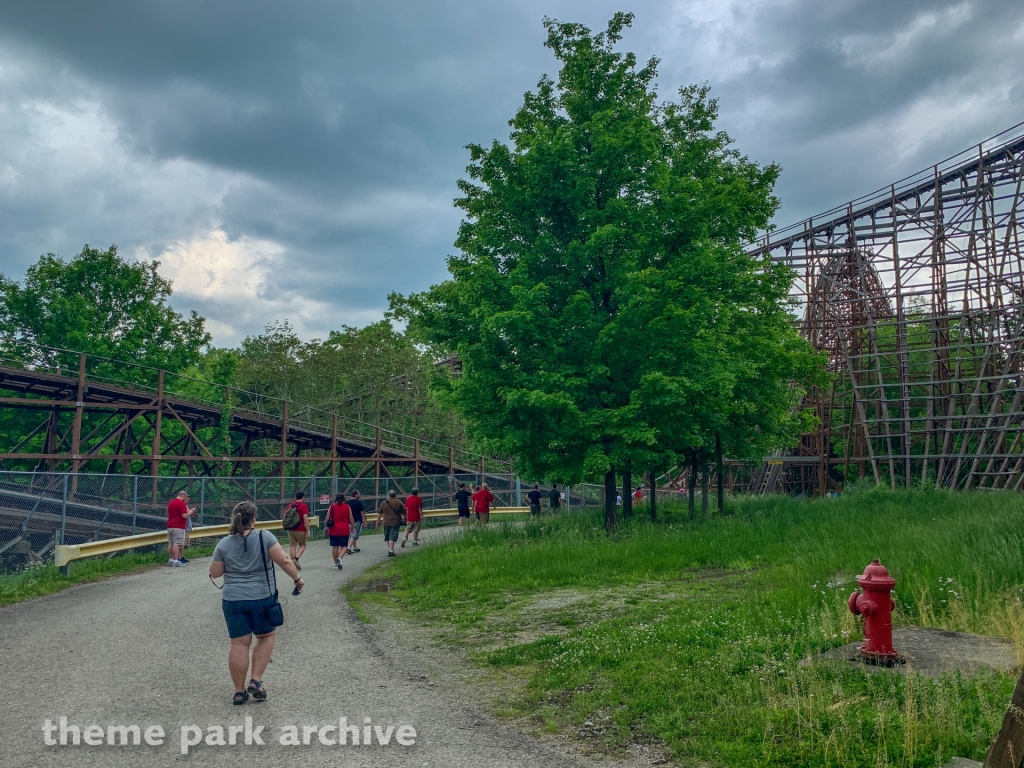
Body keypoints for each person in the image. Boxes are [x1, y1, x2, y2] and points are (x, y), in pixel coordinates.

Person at [209, 502, 303, 705]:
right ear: (254, 518)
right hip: (262, 597)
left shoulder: (224, 543)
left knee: (239, 643)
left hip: (233, 599)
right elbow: (285, 561)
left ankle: (238, 691)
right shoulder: (265, 537)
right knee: (266, 636)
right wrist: (297, 579)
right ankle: (256, 681)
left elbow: (215, 573)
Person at [166, 490, 196, 567]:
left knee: (171, 543)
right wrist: (190, 512)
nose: (185, 499)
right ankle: (176, 561)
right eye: (185, 497)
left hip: (170, 526)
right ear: (182, 496)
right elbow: (184, 516)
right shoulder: (181, 503)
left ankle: (171, 560)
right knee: (177, 544)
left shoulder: (171, 503)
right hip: (178, 526)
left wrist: (188, 511)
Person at [326, 494, 355, 570]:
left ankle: (335, 563)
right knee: (344, 546)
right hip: (344, 529)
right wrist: (352, 526)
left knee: (335, 547)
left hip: (333, 529)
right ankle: (339, 558)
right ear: (343, 499)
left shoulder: (332, 507)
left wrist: (326, 528)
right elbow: (351, 518)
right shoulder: (347, 507)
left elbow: (327, 518)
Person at [282, 491, 309, 570]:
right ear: (303, 497)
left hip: (290, 529)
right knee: (303, 545)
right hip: (300, 529)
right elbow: (305, 519)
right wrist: (308, 530)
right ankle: (296, 559)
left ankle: (293, 564)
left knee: (292, 546)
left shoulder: (290, 505)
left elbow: (285, 516)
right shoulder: (303, 506)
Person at [376, 490, 406, 557]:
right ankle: (390, 550)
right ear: (395, 495)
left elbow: (379, 513)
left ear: (388, 495)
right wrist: (405, 519)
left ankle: (390, 550)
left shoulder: (384, 503)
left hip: (386, 522)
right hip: (395, 522)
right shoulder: (399, 502)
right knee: (392, 537)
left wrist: (378, 521)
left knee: (388, 537)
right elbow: (404, 512)